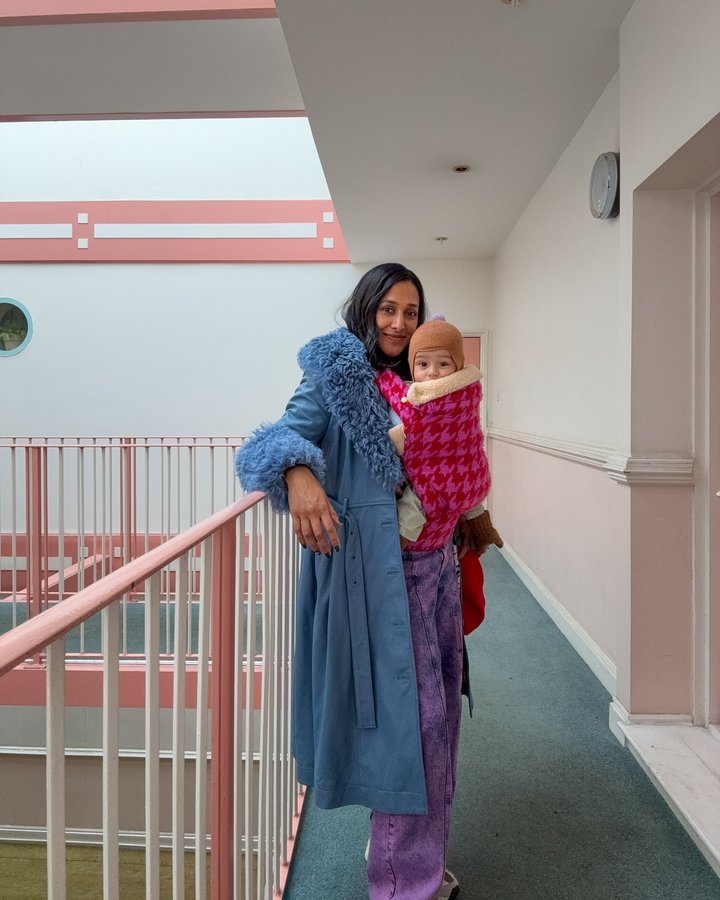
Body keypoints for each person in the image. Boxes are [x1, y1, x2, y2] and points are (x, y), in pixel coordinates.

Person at [235, 263, 488, 900]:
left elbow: (448, 459)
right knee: (409, 730)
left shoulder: (423, 377)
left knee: (437, 724)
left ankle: (413, 864)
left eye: (411, 310)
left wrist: (471, 514)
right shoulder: (336, 372)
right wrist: (297, 474)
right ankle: (405, 884)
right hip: (377, 581)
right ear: (366, 308)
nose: (400, 323)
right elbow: (275, 439)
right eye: (388, 309)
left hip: (436, 572)